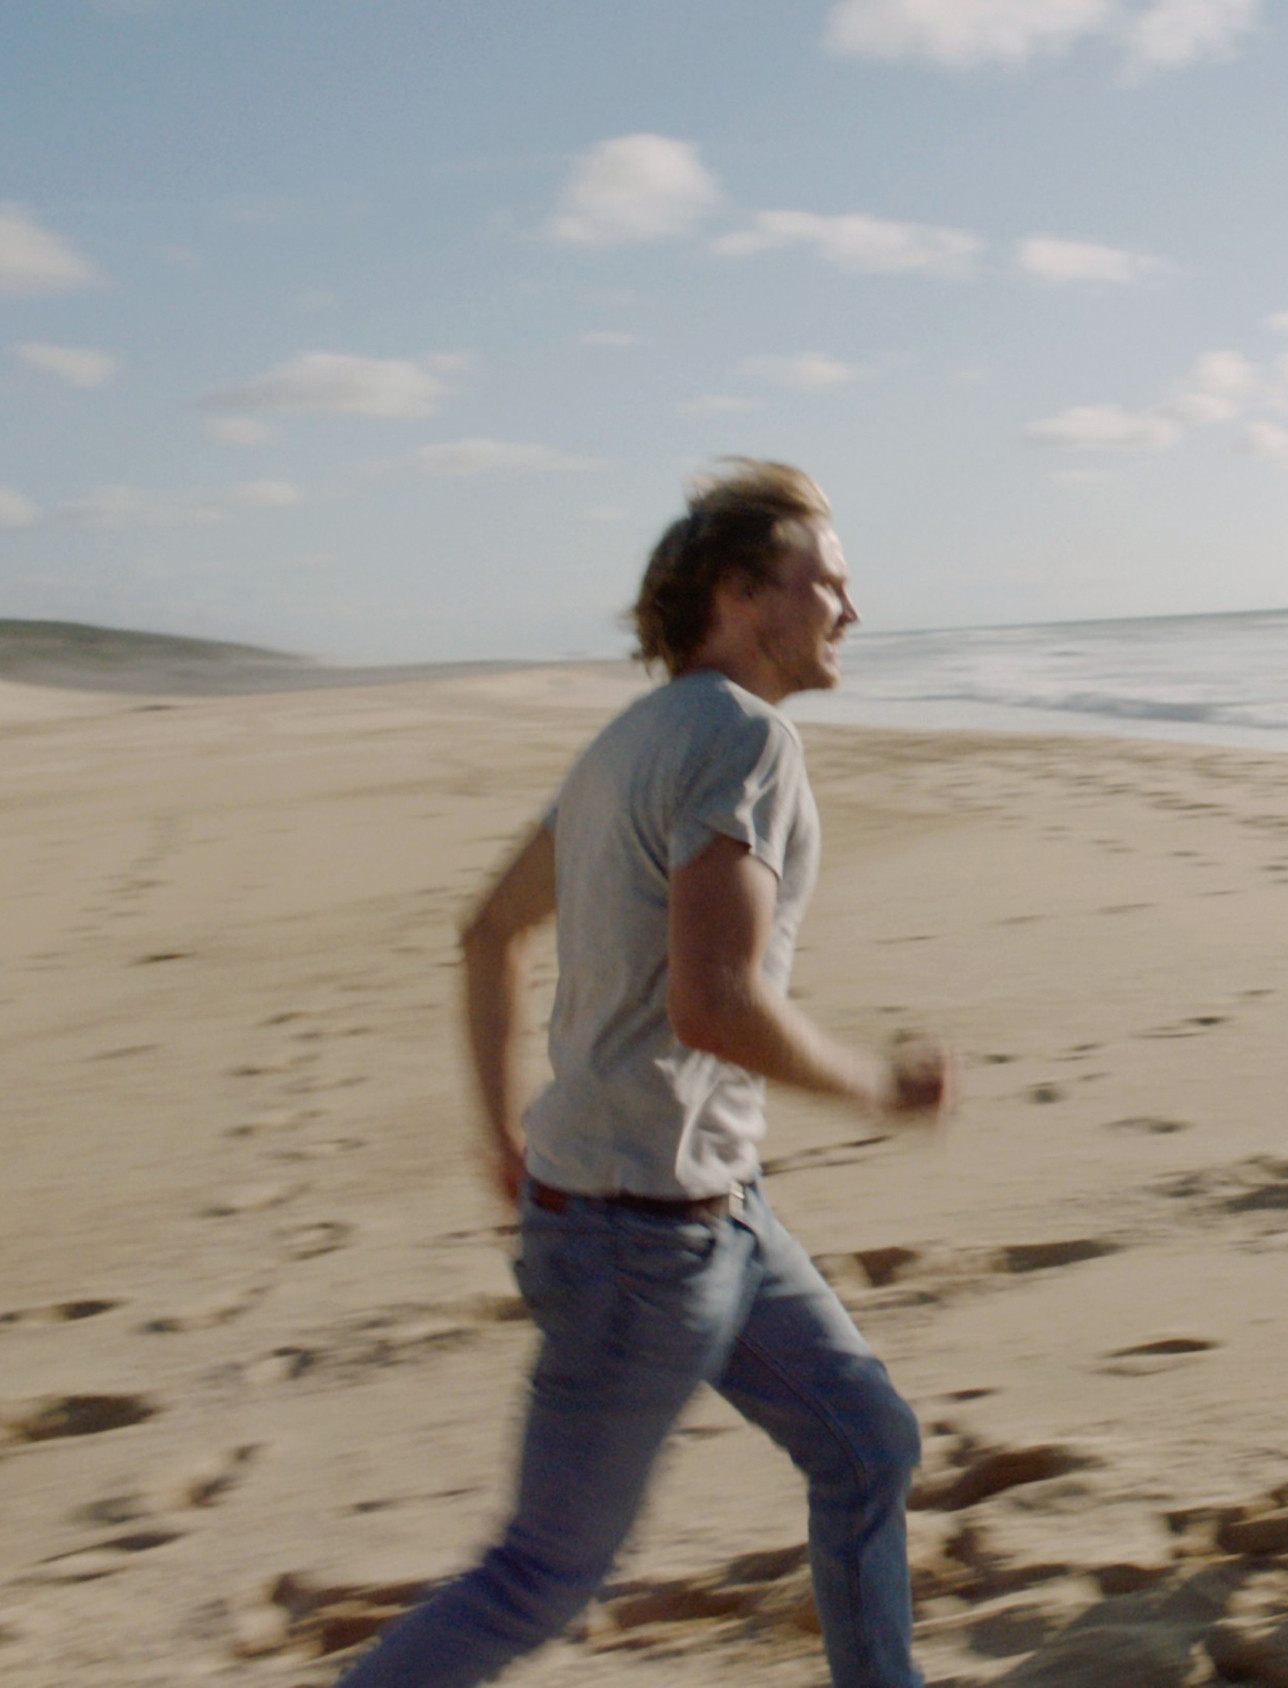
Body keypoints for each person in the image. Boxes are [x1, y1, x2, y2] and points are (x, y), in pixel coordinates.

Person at [339, 461, 951, 1688]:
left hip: (709, 1212)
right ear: (741, 594)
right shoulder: (744, 738)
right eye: (826, 581)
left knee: (868, 1443)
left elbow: (487, 930)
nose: (851, 606)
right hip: (644, 1240)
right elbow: (713, 1002)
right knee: (539, 1574)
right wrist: (878, 1087)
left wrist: (503, 1138)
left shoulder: (626, 742)